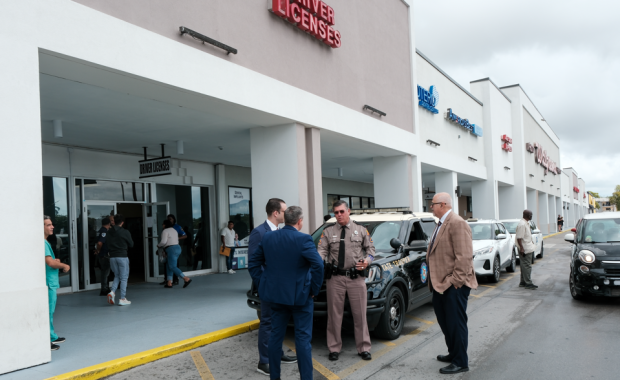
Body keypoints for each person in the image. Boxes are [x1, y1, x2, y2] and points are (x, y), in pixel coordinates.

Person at [248, 206, 323, 380]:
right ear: (300, 221)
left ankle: (275, 377)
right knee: (303, 340)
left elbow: (253, 264)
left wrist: (263, 284)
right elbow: (318, 265)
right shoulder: (304, 239)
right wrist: (314, 289)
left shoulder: (269, 237)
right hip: (301, 298)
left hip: (276, 297)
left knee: (275, 336)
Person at [427, 192, 478, 374]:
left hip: (453, 285)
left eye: (432, 204)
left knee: (456, 323)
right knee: (446, 322)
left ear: (442, 205)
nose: (430, 207)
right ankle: (454, 352)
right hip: (440, 284)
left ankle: (460, 362)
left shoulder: (457, 223)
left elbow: (464, 257)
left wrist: (455, 282)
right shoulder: (440, 224)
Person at [318, 200, 375, 361]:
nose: (339, 215)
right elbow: (321, 250)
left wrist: (367, 261)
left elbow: (371, 250)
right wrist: (317, 261)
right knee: (334, 315)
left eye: (342, 211)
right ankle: (334, 348)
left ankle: (363, 347)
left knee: (360, 314)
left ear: (348, 211)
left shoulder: (361, 230)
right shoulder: (328, 232)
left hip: (356, 278)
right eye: (336, 212)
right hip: (335, 278)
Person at [248, 198, 296, 376]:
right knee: (267, 322)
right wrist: (264, 284)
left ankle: (277, 353)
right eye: (284, 211)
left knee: (279, 322)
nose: (287, 214)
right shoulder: (259, 232)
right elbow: (253, 264)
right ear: (276, 213)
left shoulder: (281, 231)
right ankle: (264, 361)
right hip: (268, 288)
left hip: (282, 288)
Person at [44, 215, 70, 351]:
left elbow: (50, 261)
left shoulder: (45, 242)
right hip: (49, 283)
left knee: (51, 311)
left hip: (51, 282)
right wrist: (64, 265)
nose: (52, 227)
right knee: (48, 312)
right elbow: (49, 262)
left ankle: (52, 336)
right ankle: (47, 340)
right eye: (48, 225)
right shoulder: (43, 243)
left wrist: (56, 262)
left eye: (51, 224)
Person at [107, 214, 134, 306]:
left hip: (112, 257)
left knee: (117, 275)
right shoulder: (125, 232)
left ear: (113, 221)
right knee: (124, 277)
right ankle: (122, 298)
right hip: (122, 256)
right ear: (122, 222)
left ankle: (112, 292)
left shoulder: (109, 231)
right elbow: (131, 244)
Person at [159, 219, 192, 288]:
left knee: (172, 266)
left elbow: (163, 241)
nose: (162, 225)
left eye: (163, 224)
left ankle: (186, 279)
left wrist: (158, 245)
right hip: (177, 248)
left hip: (171, 249)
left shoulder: (165, 231)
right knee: (169, 265)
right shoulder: (174, 230)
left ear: (165, 225)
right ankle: (169, 282)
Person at [516, 210, 538, 290]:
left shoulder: (526, 223)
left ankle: (523, 282)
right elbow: (519, 237)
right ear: (526, 215)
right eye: (530, 214)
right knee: (527, 266)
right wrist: (521, 248)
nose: (531, 215)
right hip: (525, 248)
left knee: (524, 265)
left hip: (528, 246)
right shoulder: (522, 224)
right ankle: (528, 283)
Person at [94, 217, 112, 296]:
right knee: (105, 272)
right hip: (104, 255)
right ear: (109, 224)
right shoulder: (104, 231)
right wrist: (98, 251)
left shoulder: (100, 230)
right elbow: (100, 243)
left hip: (102, 254)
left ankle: (106, 287)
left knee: (105, 272)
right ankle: (104, 289)